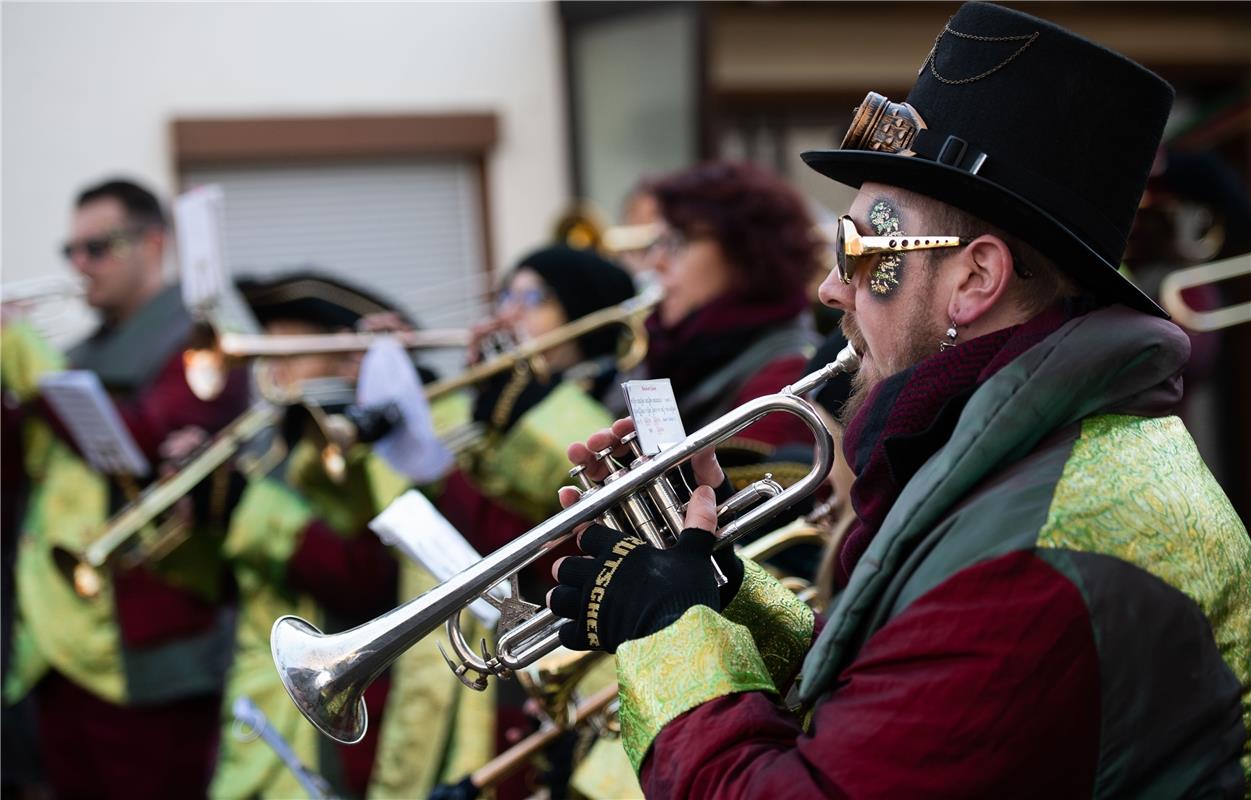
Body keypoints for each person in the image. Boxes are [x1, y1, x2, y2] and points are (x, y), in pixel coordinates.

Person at [547, 4, 1250, 796]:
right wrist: (719, 595)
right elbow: (896, 688)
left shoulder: (1036, 557)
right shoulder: (1041, 454)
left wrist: (668, 634)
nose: (827, 287)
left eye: (856, 250)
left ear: (974, 280)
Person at [3, 178, 249, 799]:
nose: (81, 265)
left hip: (148, 650)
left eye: (98, 247)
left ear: (154, 244)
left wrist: (28, 360)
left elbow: (140, 447)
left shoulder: (195, 345)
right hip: (56, 644)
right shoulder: (81, 350)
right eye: (73, 251)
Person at [201, 271, 491, 799]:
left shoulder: (368, 444)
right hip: (260, 697)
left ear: (348, 359)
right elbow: (219, 588)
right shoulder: (272, 441)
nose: (274, 364)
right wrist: (205, 513)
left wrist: (253, 511)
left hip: (339, 717)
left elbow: (370, 575)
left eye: (295, 347)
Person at [616, 160, 825, 482]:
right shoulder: (669, 349)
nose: (655, 262)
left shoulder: (788, 371)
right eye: (656, 244)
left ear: (745, 251)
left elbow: (721, 496)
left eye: (677, 242)